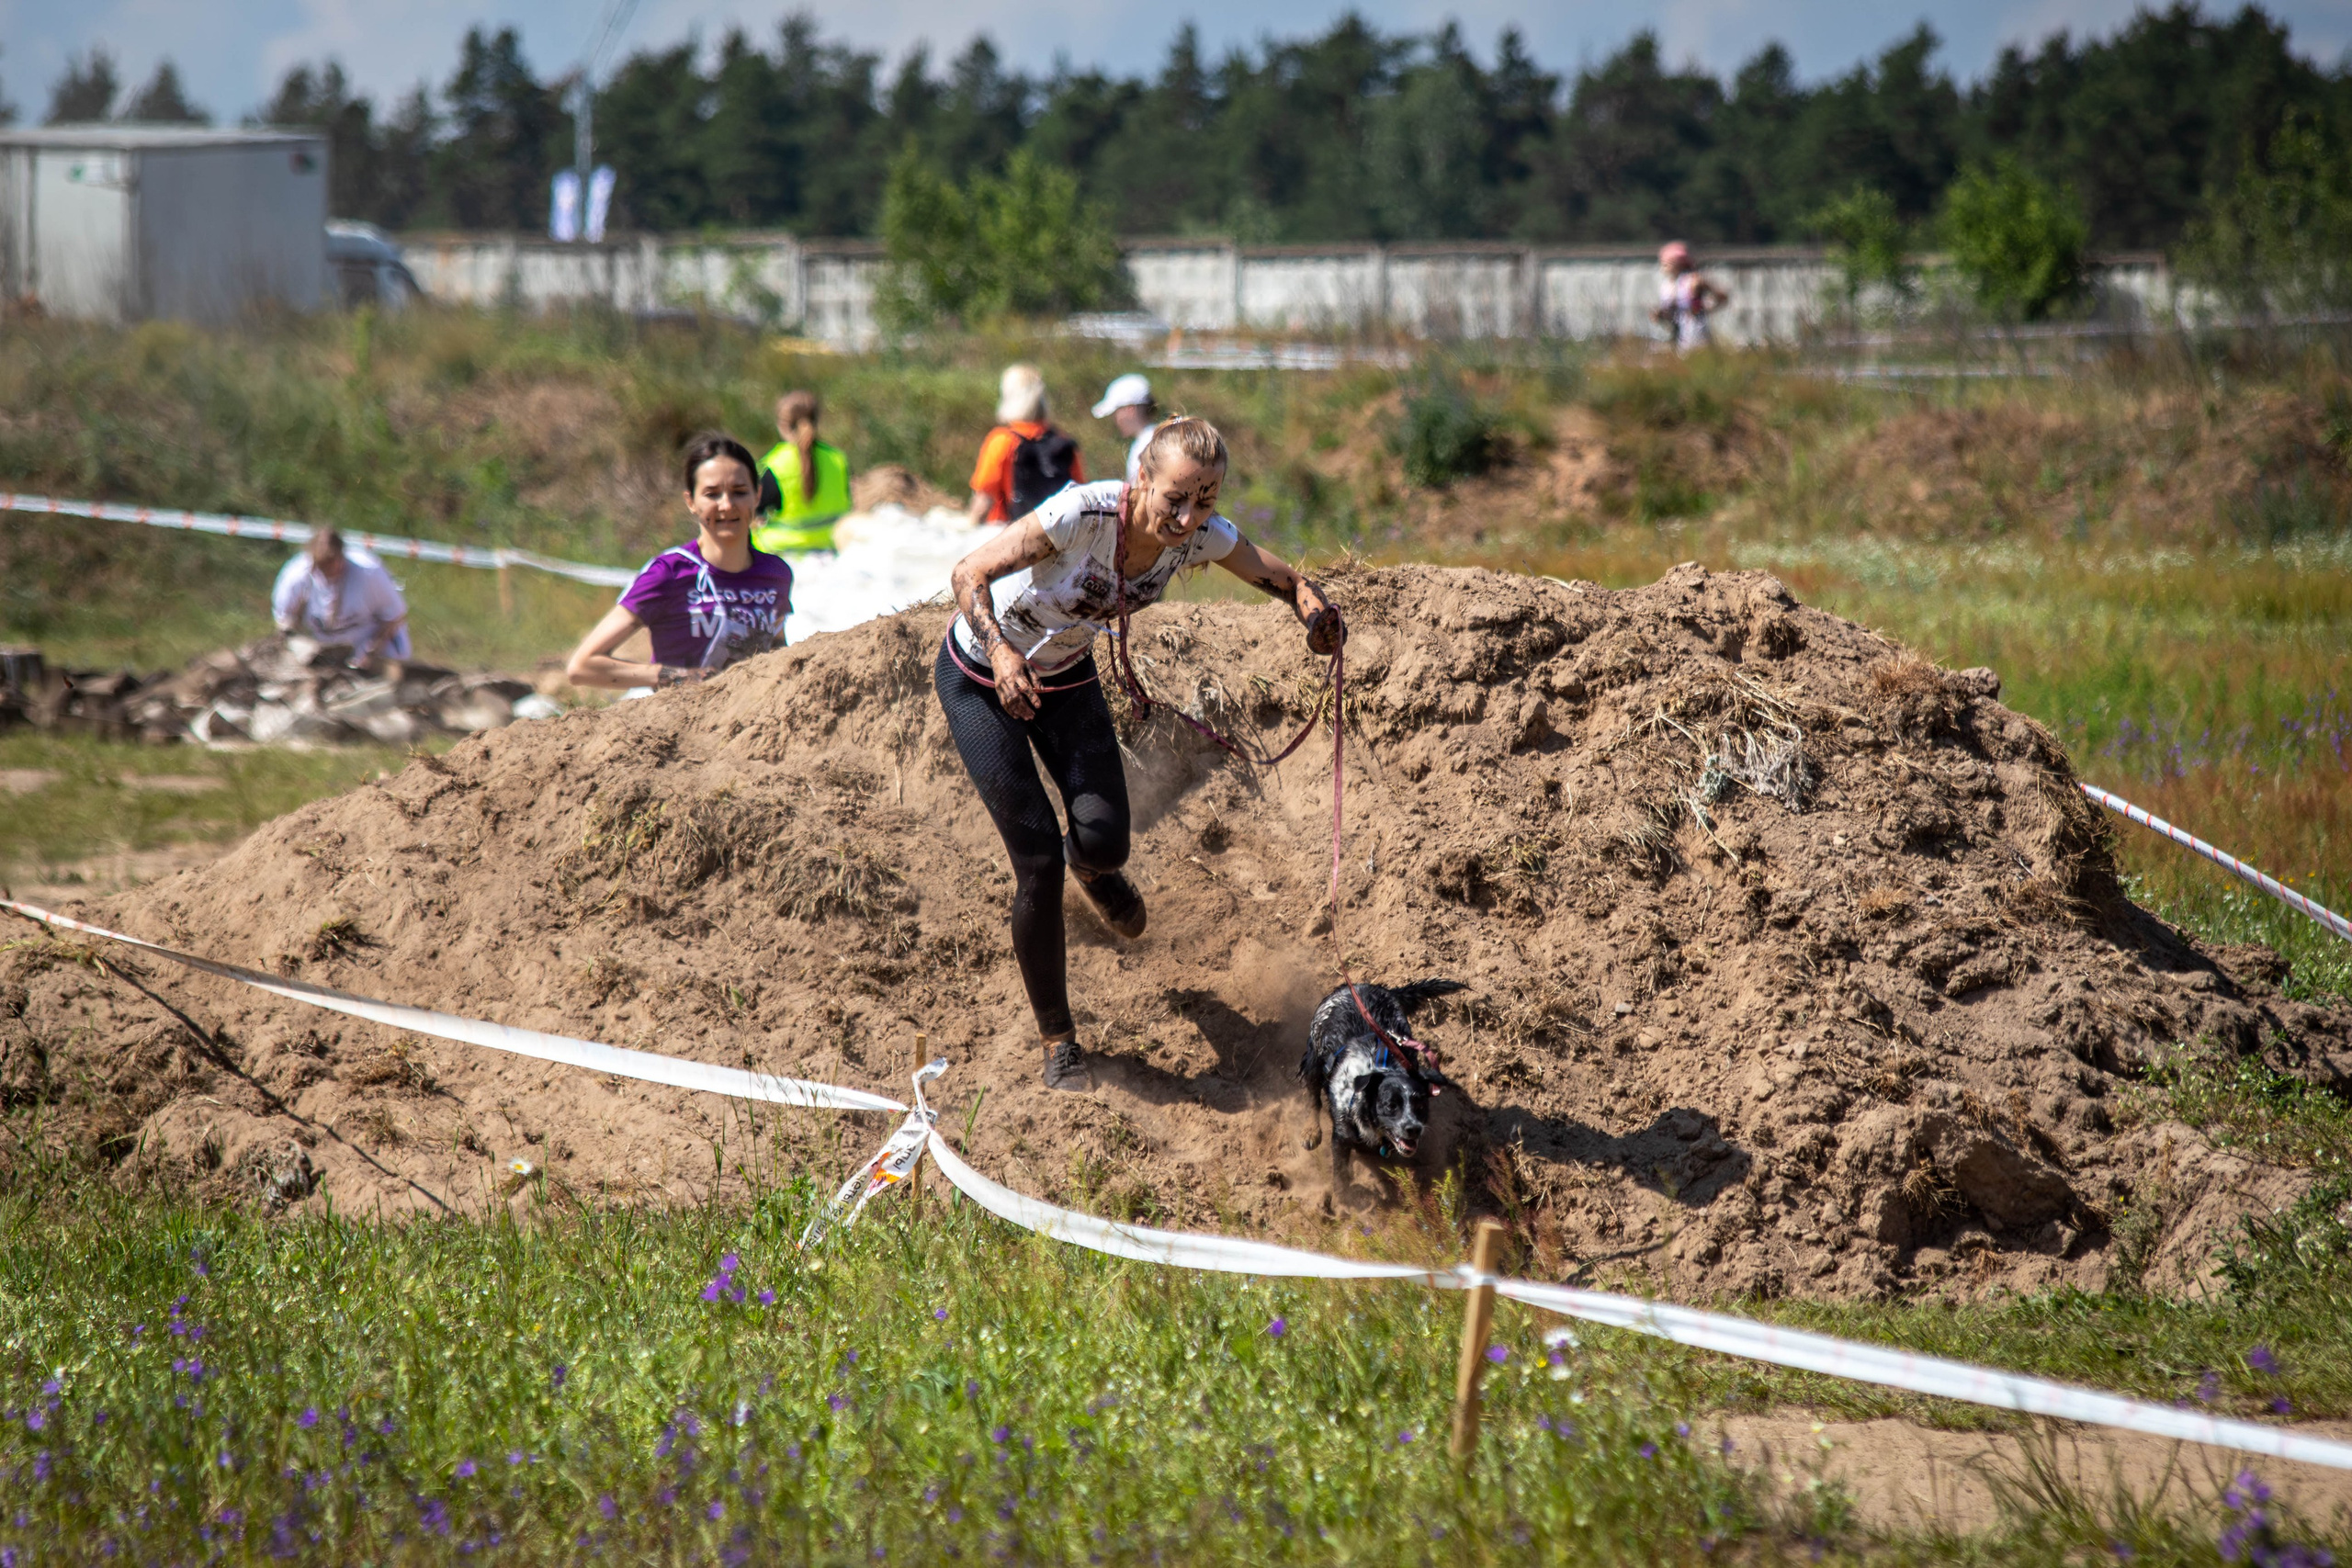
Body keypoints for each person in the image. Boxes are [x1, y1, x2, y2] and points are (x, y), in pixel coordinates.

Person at [939, 416, 1344, 1092]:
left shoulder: (1200, 536)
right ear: (1142, 480)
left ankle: (1092, 871)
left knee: (1103, 841)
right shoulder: (1081, 513)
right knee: (1036, 861)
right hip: (983, 676)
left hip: (1066, 679)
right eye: (1174, 499)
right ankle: (1059, 1040)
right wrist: (1002, 651)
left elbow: (1275, 574)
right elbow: (968, 570)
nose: (1187, 519)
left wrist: (1315, 612)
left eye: (1205, 502)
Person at [566, 434, 792, 694]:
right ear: (691, 502)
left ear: (757, 496)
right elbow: (582, 666)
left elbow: (777, 650)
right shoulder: (669, 572)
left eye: (739, 492)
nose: (727, 505)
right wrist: (675, 676)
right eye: (712, 494)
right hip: (682, 726)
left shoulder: (776, 573)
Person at [965, 364, 1085, 528]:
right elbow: (1080, 496)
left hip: (1010, 534)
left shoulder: (1002, 440)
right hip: (1057, 536)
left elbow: (983, 501)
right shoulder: (1064, 441)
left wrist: (967, 531)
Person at [271, 530, 411, 664]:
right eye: (324, 565)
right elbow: (285, 621)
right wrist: (301, 646)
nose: (332, 568)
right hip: (323, 650)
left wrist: (371, 651)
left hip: (370, 644)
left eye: (334, 562)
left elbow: (395, 617)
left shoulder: (369, 572)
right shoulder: (296, 575)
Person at [752, 389, 853, 555]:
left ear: (783, 425)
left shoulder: (775, 465)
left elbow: (754, 512)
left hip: (782, 559)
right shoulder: (838, 460)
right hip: (831, 554)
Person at [1651, 241, 1728, 352]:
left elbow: (1722, 297)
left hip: (1696, 333)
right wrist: (1660, 316)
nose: (1663, 266)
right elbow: (1671, 315)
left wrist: (1706, 308)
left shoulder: (1693, 280)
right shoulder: (1666, 286)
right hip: (1677, 336)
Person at [1091, 372, 1160, 483]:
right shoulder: (1157, 438)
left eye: (1116, 413)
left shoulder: (1145, 445)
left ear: (1130, 409)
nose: (1115, 420)